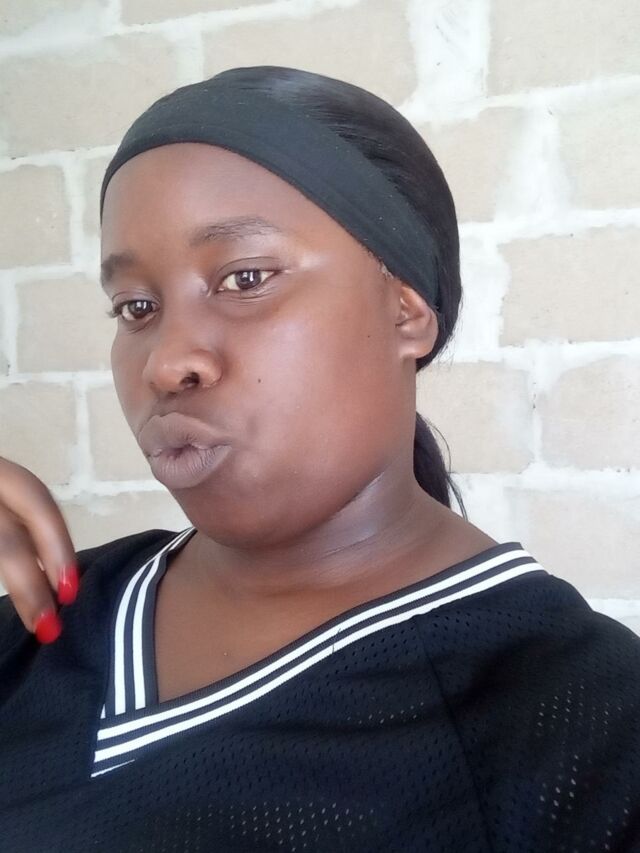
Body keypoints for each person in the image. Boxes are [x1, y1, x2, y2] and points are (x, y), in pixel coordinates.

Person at [0, 65, 638, 853]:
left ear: (407, 309)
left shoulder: (579, 728)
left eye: (245, 278)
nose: (166, 363)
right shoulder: (45, 618)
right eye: (137, 307)